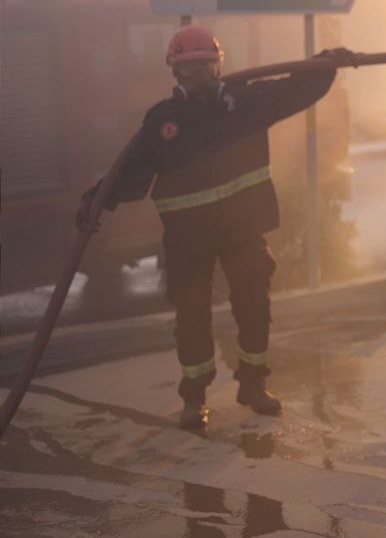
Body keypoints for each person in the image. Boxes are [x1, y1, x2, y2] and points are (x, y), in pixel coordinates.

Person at [77, 25, 344, 430]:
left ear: (218, 65)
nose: (197, 73)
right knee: (191, 319)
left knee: (254, 308)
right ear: (174, 71)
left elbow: (296, 90)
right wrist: (96, 199)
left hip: (242, 230)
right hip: (189, 239)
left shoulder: (245, 103)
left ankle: (253, 384)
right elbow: (129, 174)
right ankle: (194, 397)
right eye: (188, 67)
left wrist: (325, 64)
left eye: (204, 64)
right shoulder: (162, 122)